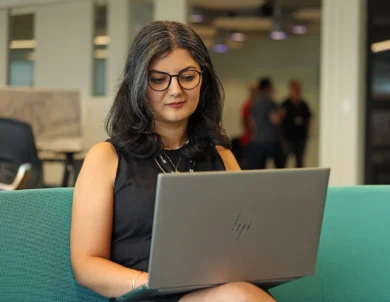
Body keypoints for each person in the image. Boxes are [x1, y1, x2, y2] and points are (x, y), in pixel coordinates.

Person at [70, 21, 276, 302]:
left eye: (187, 77)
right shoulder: (106, 159)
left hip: (216, 291)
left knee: (239, 295)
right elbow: (86, 265)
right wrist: (153, 284)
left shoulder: (221, 156)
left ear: (203, 80)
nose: (176, 90)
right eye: (158, 79)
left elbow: (243, 245)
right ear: (139, 85)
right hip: (144, 294)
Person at [247, 78, 284, 170]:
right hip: (271, 140)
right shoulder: (269, 101)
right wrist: (281, 114)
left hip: (257, 140)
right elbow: (275, 120)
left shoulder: (254, 103)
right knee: (280, 169)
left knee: (259, 170)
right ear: (268, 88)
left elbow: (251, 122)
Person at [281, 80, 312, 168]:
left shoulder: (304, 104)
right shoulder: (285, 104)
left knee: (300, 161)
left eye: (298, 89)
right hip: (288, 138)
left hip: (300, 138)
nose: (297, 91)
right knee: (284, 161)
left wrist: (307, 134)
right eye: (295, 89)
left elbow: (309, 119)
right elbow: (280, 121)